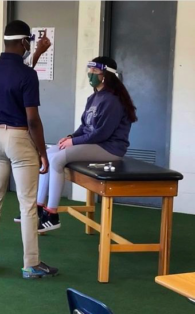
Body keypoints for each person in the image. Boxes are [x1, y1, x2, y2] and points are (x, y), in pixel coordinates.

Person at [0, 20, 58, 279]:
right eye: (29, 43)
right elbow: (32, 119)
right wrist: (43, 152)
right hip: (20, 139)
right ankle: (30, 264)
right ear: (24, 42)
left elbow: (15, 80)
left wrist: (36, 55)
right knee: (27, 204)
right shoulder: (27, 75)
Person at [24, 56, 137, 233]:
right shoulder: (94, 98)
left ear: (105, 75)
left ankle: (52, 214)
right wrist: (70, 137)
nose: (90, 74)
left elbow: (102, 133)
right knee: (50, 153)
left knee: (58, 159)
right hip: (96, 144)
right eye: (89, 70)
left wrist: (74, 142)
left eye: (95, 71)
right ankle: (38, 207)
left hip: (110, 149)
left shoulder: (112, 100)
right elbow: (85, 126)